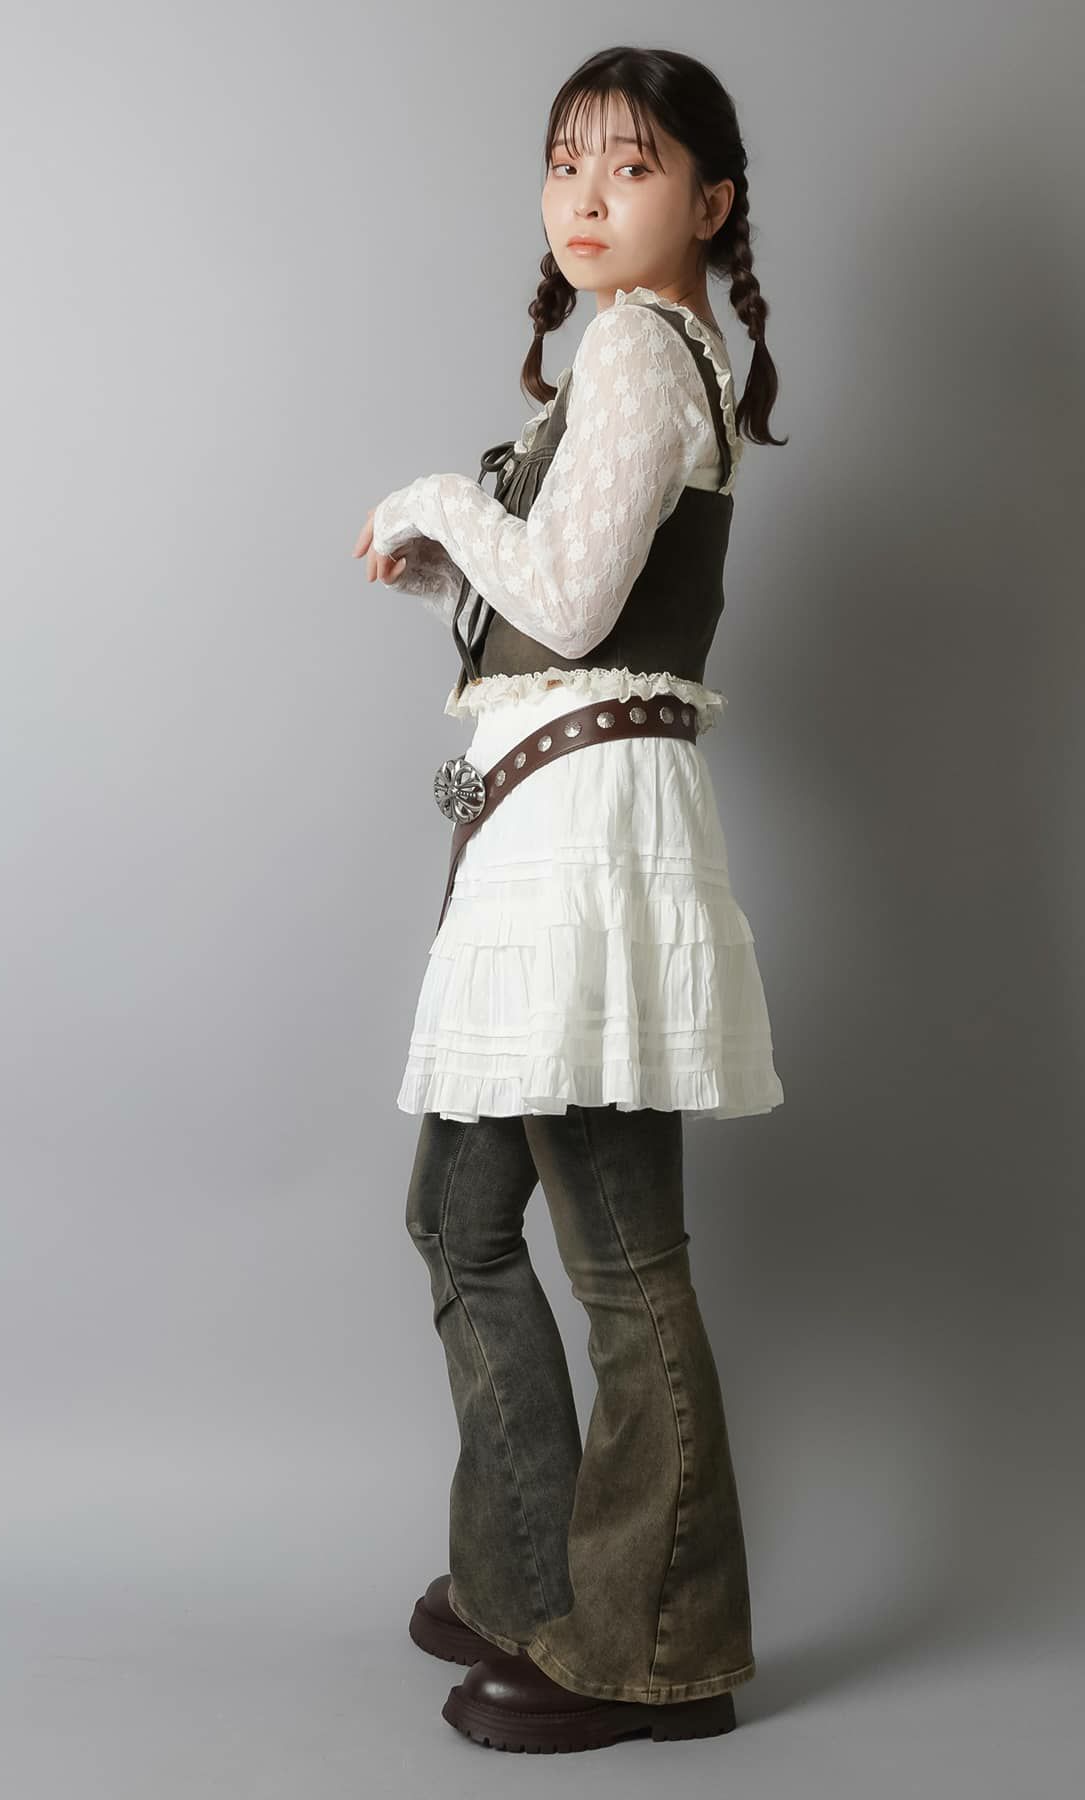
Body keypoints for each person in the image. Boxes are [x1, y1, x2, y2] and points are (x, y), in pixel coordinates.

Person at [350, 45, 788, 1755]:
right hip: (541, 822)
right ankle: (530, 1573)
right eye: (564, 163)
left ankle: (657, 1648)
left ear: (712, 201)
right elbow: (555, 609)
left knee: (620, 1259)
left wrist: (433, 501)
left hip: (592, 842)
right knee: (460, 1220)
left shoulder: (640, 351)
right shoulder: (632, 358)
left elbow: (580, 603)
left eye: (631, 164)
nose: (586, 196)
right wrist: (453, 566)